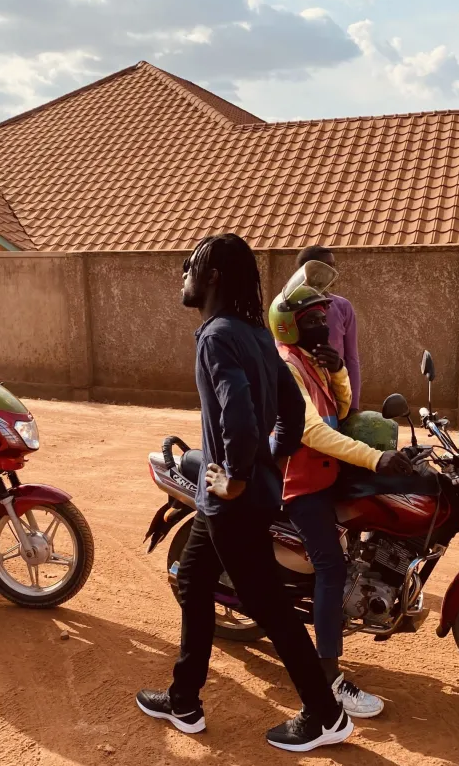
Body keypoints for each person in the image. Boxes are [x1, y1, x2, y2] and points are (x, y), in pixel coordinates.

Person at [136, 234, 353, 752]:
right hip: (235, 499)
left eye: (188, 266)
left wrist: (236, 473)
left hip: (230, 499)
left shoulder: (216, 335)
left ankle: (326, 715)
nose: (182, 275)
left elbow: (235, 412)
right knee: (192, 581)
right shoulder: (255, 334)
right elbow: (292, 410)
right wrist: (271, 461)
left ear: (212, 276)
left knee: (267, 606)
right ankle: (184, 699)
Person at [269, 260, 414, 719]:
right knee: (331, 566)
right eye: (311, 320)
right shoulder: (287, 365)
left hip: (328, 474)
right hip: (301, 482)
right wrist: (374, 457)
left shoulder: (312, 361)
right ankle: (328, 678)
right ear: (289, 325)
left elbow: (344, 408)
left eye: (322, 319)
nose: (321, 327)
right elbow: (311, 432)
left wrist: (336, 372)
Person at [295, 246, 361, 410]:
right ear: (307, 270)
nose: (332, 271)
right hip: (300, 394)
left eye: (333, 265)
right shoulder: (288, 306)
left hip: (335, 396)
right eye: (326, 266)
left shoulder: (343, 307)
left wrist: (353, 406)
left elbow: (351, 359)